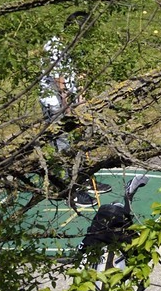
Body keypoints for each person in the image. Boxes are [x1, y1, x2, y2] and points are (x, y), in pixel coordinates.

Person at [40, 34, 110, 208]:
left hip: (68, 99)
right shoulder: (55, 47)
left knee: (79, 142)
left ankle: (83, 180)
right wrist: (68, 108)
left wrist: (81, 105)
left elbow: (77, 76)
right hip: (55, 103)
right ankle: (72, 191)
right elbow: (59, 81)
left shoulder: (75, 46)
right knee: (64, 144)